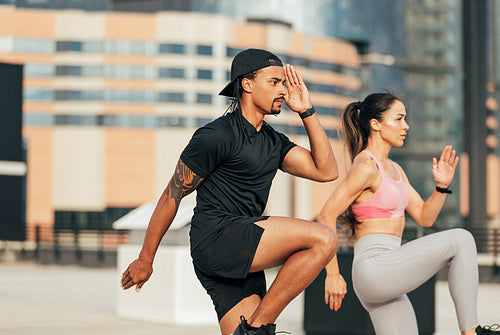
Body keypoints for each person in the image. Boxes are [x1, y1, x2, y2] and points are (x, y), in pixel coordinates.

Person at [120, 48, 339, 335]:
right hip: (217, 239)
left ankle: (253, 331)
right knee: (323, 239)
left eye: (283, 83)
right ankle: (257, 329)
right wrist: (146, 258)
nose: (283, 91)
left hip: (244, 249)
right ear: (247, 84)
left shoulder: (274, 142)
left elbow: (326, 171)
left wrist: (307, 112)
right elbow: (171, 195)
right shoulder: (216, 136)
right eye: (274, 82)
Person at [316, 92, 500, 335]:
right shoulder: (366, 167)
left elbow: (425, 217)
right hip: (374, 268)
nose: (406, 126)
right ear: (376, 124)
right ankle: (471, 331)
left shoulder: (396, 169)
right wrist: (333, 274)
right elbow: (326, 216)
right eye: (399, 118)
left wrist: (441, 187)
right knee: (462, 239)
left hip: (389, 272)